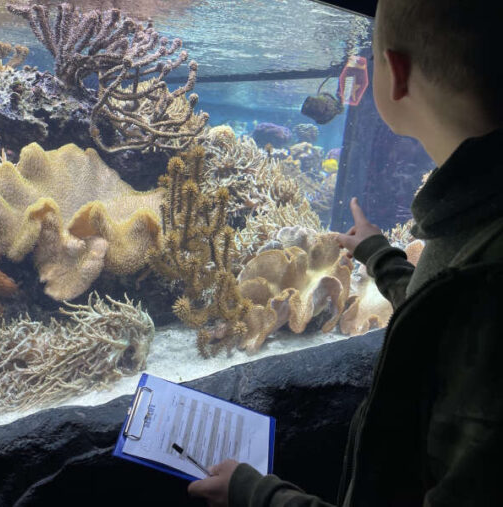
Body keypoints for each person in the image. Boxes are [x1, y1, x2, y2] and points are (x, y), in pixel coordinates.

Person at [188, 0, 503, 505]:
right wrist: (379, 254)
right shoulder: (474, 226)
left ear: (394, 74)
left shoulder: (483, 285)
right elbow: (437, 316)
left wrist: (258, 496)